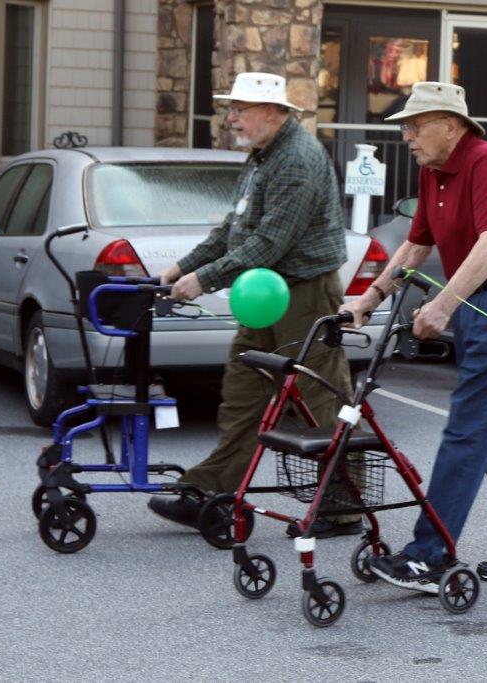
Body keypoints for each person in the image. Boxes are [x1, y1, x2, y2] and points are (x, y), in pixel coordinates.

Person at [340, 81, 487, 591]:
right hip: (477, 299)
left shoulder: (486, 162)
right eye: (405, 127)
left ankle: (430, 555)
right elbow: (416, 245)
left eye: (415, 126)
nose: (407, 137)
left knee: (469, 424)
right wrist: (368, 300)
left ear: (450, 125)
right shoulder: (433, 172)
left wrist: (442, 305)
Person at [147, 72, 361, 539]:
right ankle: (212, 491)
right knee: (243, 391)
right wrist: (181, 266)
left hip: (304, 291)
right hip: (264, 292)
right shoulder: (264, 155)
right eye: (232, 109)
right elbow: (235, 228)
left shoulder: (298, 160)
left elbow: (270, 242)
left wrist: (203, 279)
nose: (231, 118)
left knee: (319, 396)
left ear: (272, 112)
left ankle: (343, 506)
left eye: (239, 109)